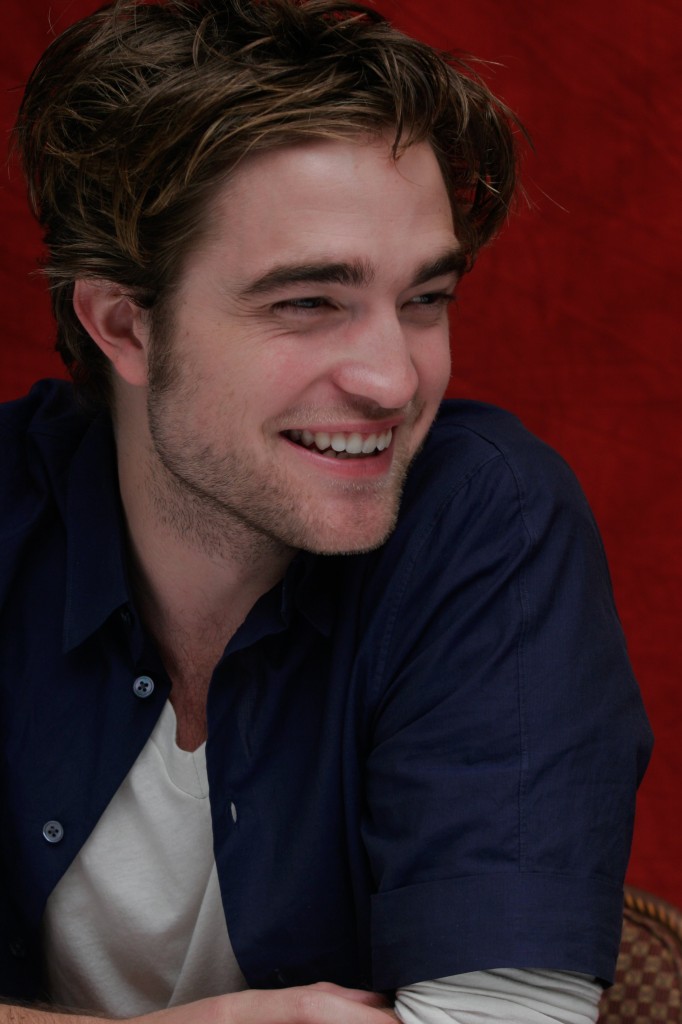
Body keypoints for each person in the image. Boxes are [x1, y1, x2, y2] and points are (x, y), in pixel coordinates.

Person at [0, 0, 652, 1022]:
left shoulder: (490, 522)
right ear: (123, 324)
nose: (395, 381)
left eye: (425, 299)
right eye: (307, 302)